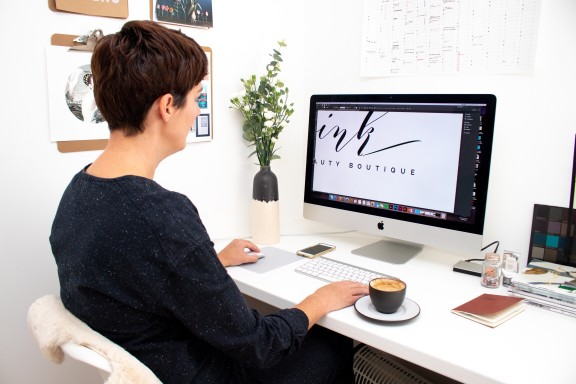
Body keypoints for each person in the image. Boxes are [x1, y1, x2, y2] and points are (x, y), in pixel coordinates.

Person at [50, 20, 368, 383]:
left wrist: (208, 261)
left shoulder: (79, 191)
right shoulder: (161, 215)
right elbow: (260, 346)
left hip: (158, 361)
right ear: (168, 106)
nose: (198, 111)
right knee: (334, 341)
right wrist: (321, 300)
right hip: (202, 374)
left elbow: (133, 276)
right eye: (198, 97)